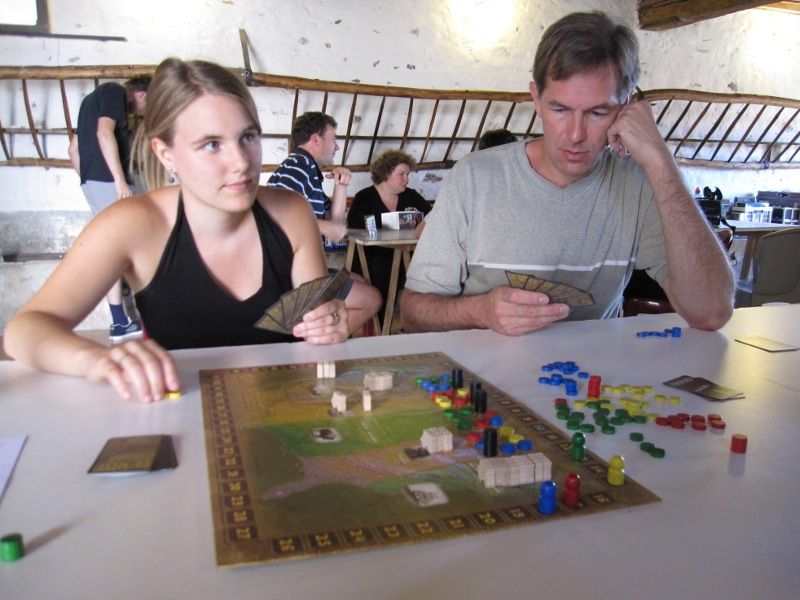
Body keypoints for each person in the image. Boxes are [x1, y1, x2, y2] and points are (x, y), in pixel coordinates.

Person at [4, 58, 381, 404]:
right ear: (165, 153)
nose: (240, 163)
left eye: (248, 137)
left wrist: (329, 324)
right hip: (180, 413)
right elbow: (25, 330)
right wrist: (98, 360)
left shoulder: (292, 212)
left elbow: (313, 333)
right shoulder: (132, 223)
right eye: (211, 144)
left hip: (281, 407)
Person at [401, 11, 734, 336]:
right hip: (480, 371)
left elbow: (711, 313)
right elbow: (413, 314)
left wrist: (661, 160)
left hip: (595, 372)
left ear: (627, 108)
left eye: (598, 112)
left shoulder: (639, 184)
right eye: (559, 109)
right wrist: (481, 311)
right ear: (536, 98)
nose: (575, 135)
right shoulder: (473, 178)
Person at [67, 75, 151, 343]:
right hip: (109, 182)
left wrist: (88, 180)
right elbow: (104, 133)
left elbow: (73, 149)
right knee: (125, 246)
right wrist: (119, 181)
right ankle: (127, 320)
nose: (142, 111)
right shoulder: (114, 91)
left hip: (94, 182)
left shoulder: (89, 101)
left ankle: (121, 320)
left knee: (115, 246)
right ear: (142, 94)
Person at [346, 150, 432, 318]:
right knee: (383, 264)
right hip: (372, 257)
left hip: (406, 254)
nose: (406, 179)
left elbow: (432, 215)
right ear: (385, 174)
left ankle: (419, 317)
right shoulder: (364, 198)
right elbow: (355, 229)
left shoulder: (411, 196)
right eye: (401, 174)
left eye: (407, 175)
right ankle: (381, 320)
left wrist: (423, 223)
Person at [267, 111, 351, 243]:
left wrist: (341, 185)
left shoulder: (308, 169)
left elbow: (333, 221)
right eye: (333, 140)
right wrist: (326, 227)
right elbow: (275, 216)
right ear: (316, 140)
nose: (337, 147)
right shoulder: (299, 165)